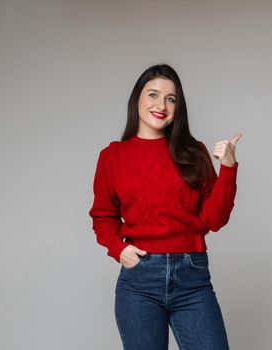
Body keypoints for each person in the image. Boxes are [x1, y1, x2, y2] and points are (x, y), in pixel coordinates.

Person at [88, 63, 241, 350]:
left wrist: (229, 169)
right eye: (153, 95)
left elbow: (214, 220)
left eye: (171, 99)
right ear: (137, 99)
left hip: (192, 277)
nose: (162, 105)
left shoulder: (193, 151)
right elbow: (103, 216)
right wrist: (118, 248)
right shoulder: (113, 157)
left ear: (177, 107)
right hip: (139, 281)